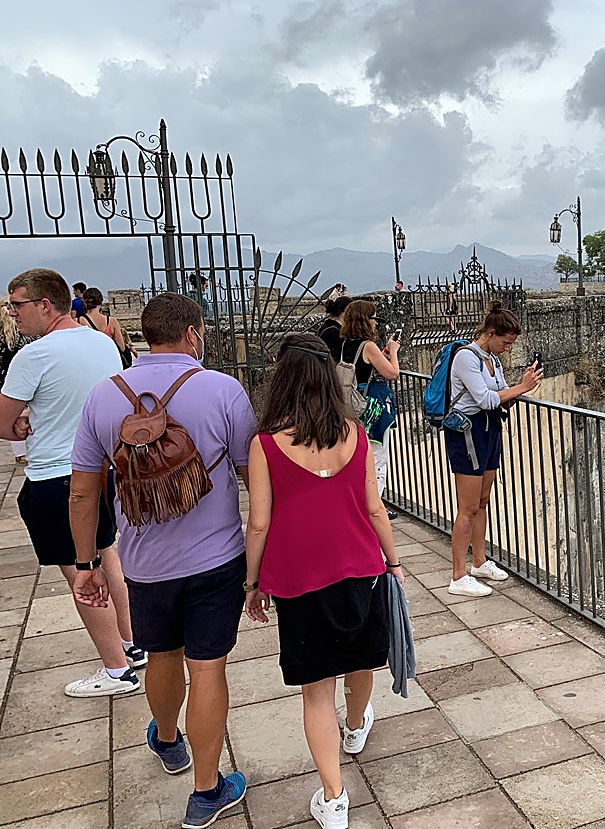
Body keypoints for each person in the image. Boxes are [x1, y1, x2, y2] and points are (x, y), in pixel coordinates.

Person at [70, 292, 256, 828]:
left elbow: (83, 493)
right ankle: (206, 790)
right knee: (208, 668)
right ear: (194, 333)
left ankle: (168, 740)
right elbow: (252, 479)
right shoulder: (222, 390)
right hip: (216, 559)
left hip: (143, 565)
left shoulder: (103, 397)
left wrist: (86, 565)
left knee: (163, 657)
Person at [243, 333, 405, 829]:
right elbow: (375, 507)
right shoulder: (355, 434)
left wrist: (252, 583)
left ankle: (334, 799)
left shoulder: (266, 445)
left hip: (297, 579)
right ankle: (356, 725)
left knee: (316, 692)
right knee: (361, 658)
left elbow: (259, 523)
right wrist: (393, 562)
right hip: (359, 567)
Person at [0, 268, 142, 698]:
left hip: (55, 475)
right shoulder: (100, 342)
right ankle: (133, 642)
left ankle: (116, 671)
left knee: (80, 573)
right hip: (102, 468)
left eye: (17, 304)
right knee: (108, 556)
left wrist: (22, 425)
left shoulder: (35, 356)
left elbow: (3, 423)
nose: (13, 314)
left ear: (45, 305)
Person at [444, 301, 543, 597]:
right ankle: (458, 575)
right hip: (468, 434)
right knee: (468, 507)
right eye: (506, 342)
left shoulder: (492, 359)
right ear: (490, 333)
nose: (508, 348)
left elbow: (500, 397)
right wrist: (521, 388)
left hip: (489, 431)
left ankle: (479, 561)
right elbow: (486, 398)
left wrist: (522, 386)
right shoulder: (466, 357)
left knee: (483, 501)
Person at [333, 300, 400, 506]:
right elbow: (392, 373)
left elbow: (364, 368)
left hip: (352, 404)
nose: (376, 324)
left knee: (358, 456)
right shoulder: (368, 346)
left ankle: (356, 504)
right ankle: (373, 508)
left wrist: (383, 354)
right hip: (372, 407)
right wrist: (394, 351)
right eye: (374, 319)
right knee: (377, 459)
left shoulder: (345, 344)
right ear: (366, 320)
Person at [0, 298, 31, 464]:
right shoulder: (25, 331)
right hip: (25, 373)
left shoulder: (1, 332)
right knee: (29, 410)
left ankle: (20, 452)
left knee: (12, 412)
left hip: (6, 376)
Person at [78, 287, 131, 366]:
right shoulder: (112, 321)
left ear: (84, 302)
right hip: (109, 364)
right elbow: (121, 347)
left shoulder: (78, 322)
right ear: (101, 301)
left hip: (90, 363)